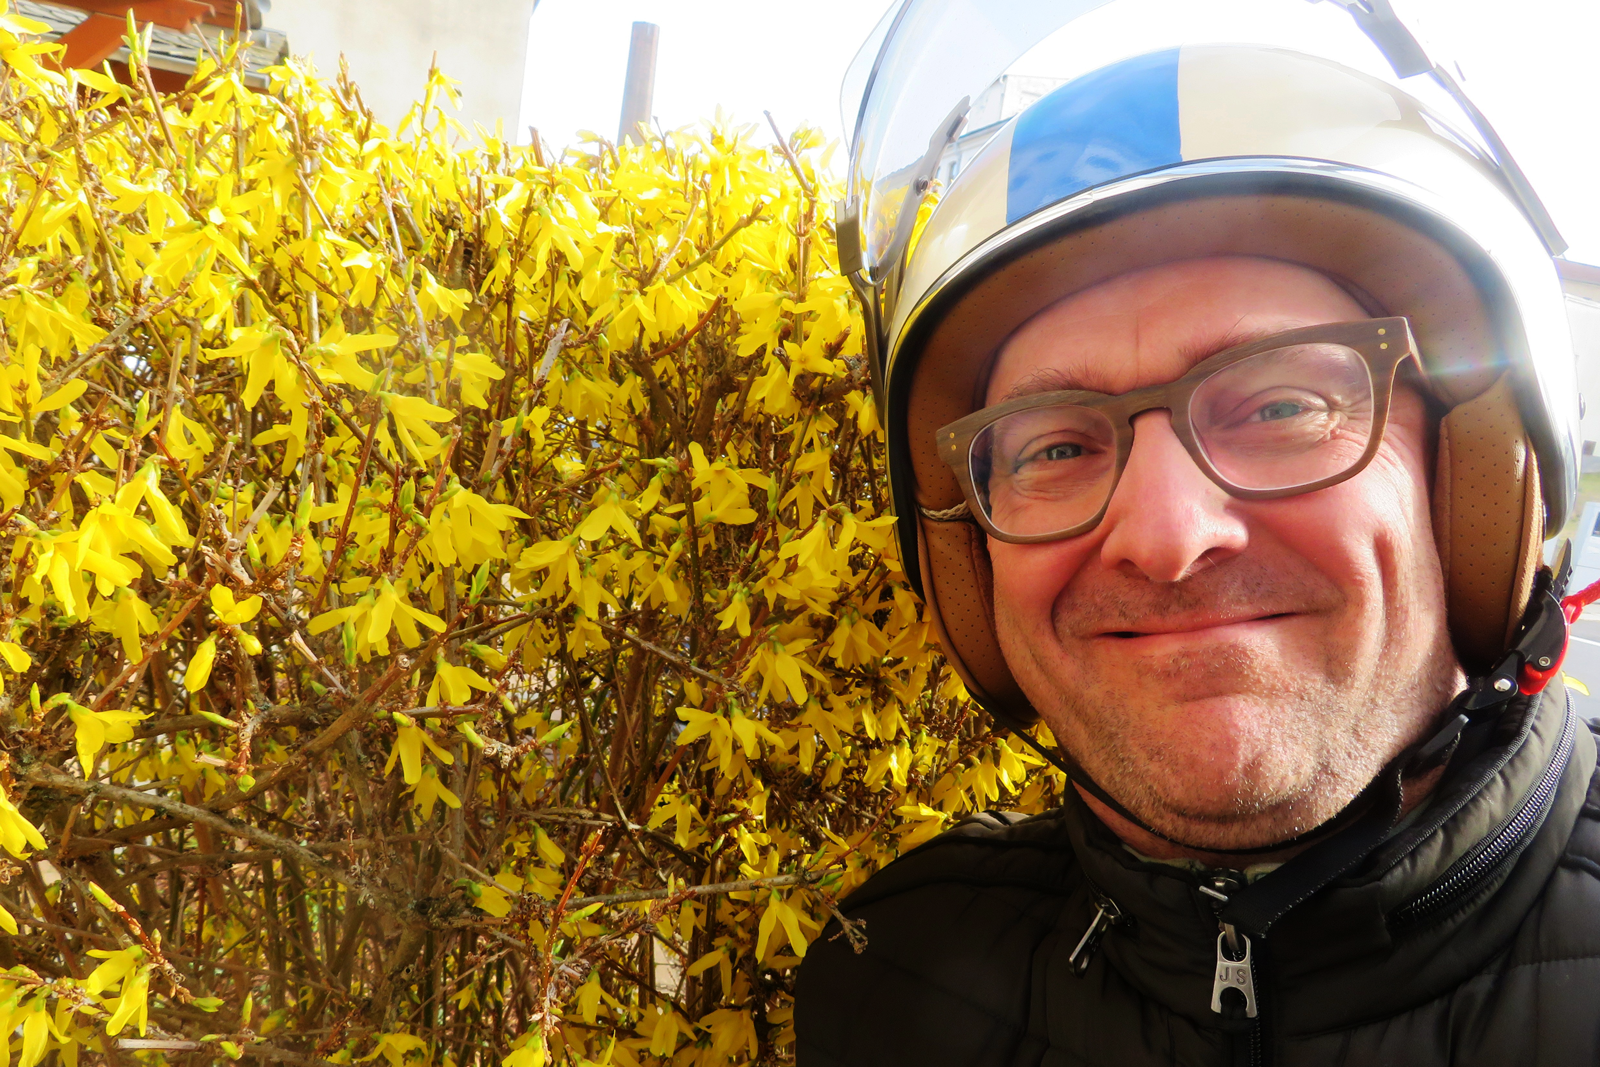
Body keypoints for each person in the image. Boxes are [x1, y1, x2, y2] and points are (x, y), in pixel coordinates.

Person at [796, 2, 1600, 1064]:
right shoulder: (886, 976)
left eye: (1279, 407)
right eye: (1054, 446)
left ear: (1480, 478)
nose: (1168, 537)